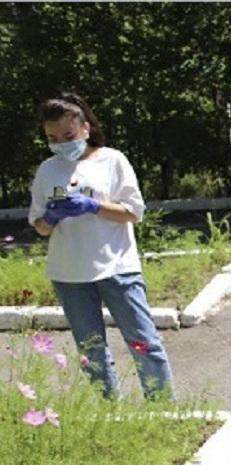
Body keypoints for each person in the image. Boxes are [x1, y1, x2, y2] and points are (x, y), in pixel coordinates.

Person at [28, 92, 174, 400]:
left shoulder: (112, 160)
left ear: (85, 128)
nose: (61, 143)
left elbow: (134, 212)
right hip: (69, 274)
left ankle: (163, 408)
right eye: (52, 138)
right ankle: (110, 410)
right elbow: (40, 226)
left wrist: (94, 206)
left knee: (144, 342)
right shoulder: (47, 170)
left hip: (117, 267)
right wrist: (51, 217)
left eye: (68, 136)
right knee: (91, 350)